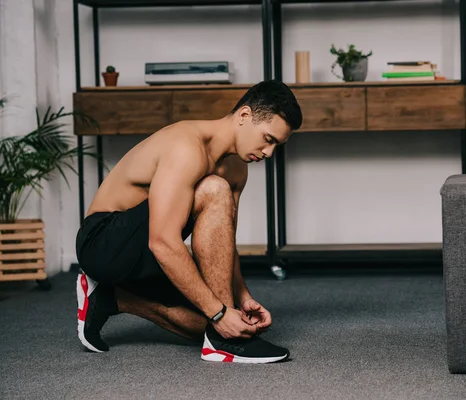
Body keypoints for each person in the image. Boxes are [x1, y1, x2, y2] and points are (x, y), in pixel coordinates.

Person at [75, 80, 302, 363]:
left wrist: (242, 298)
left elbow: (225, 242)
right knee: (214, 190)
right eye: (268, 139)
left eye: (276, 146)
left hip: (146, 253)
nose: (269, 153)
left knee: (220, 325)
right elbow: (162, 241)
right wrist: (219, 312)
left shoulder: (237, 169)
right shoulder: (186, 147)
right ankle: (222, 342)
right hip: (104, 244)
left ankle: (111, 298)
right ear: (244, 116)